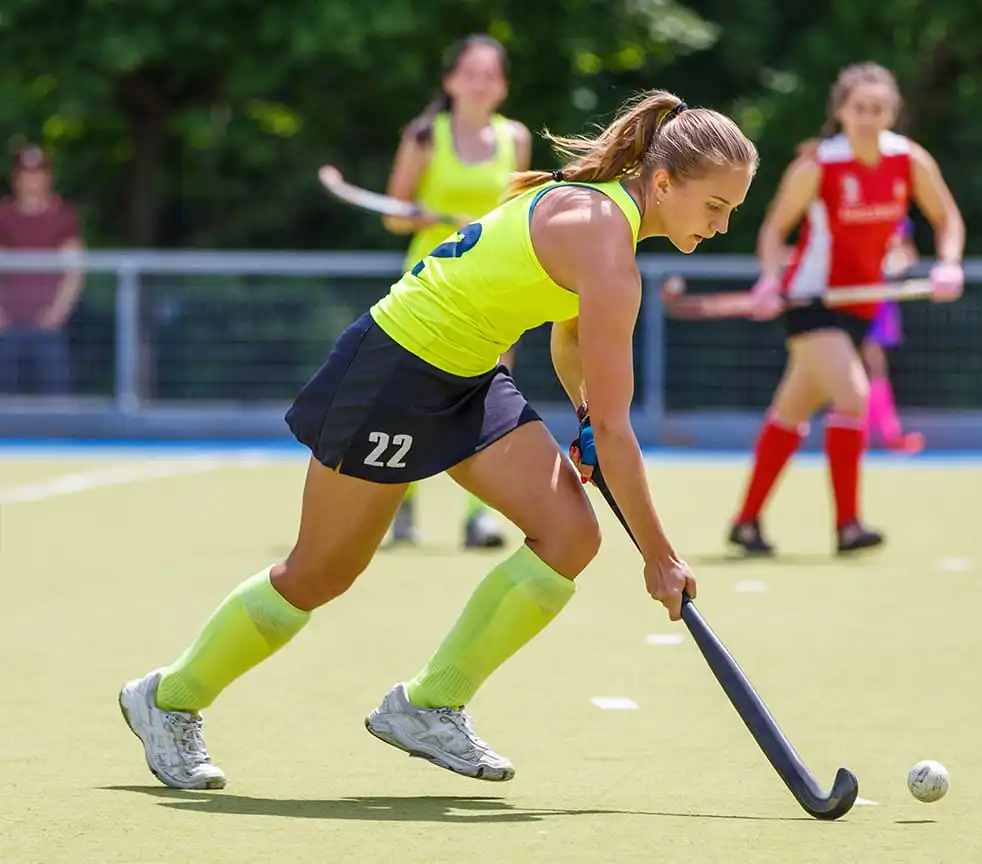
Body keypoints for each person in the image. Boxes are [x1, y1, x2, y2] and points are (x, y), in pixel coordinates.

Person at [118, 90, 759, 790]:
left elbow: (572, 341)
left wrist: (579, 419)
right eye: (716, 207)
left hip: (470, 375)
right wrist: (661, 557)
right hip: (394, 367)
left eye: (731, 210)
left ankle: (429, 704)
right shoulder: (605, 240)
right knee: (320, 573)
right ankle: (167, 698)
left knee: (570, 535)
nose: (723, 226)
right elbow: (615, 426)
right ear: (663, 182)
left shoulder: (607, 219)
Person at [670, 63, 964, 556]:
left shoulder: (908, 160)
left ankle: (745, 523)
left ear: (893, 111)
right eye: (859, 108)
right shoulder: (819, 165)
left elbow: (946, 217)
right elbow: (773, 231)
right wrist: (770, 277)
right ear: (841, 112)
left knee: (791, 410)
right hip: (812, 300)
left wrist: (950, 262)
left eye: (879, 109)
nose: (869, 118)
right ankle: (848, 525)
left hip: (861, 306)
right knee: (853, 396)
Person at [382, 34, 533, 549]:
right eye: (470, 72)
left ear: (503, 87)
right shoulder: (425, 136)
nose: (480, 83)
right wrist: (419, 216)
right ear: (450, 82)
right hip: (427, 286)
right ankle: (397, 507)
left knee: (488, 397)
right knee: (409, 396)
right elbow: (392, 214)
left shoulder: (516, 138)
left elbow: (519, 211)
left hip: (492, 284)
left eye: (490, 74)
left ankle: (479, 517)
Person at [0, 144, 85, 395]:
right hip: (7, 324)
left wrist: (57, 313)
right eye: (26, 173)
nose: (32, 180)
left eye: (38, 173)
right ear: (16, 177)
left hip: (48, 325)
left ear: (48, 176)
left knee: (54, 399)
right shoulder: (3, 216)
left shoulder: (63, 217)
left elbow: (74, 271)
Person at [862, 216, 924, 453]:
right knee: (863, 367)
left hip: (879, 301)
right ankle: (880, 433)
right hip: (857, 297)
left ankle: (878, 433)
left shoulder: (898, 218)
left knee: (874, 367)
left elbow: (908, 252)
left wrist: (896, 262)